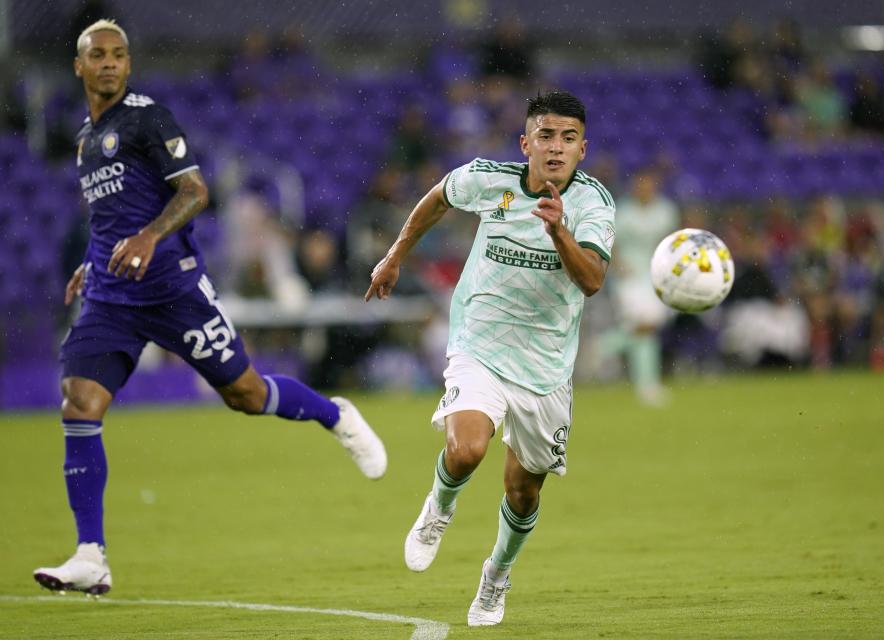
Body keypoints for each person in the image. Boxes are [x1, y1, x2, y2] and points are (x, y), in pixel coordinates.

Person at [33, 20, 387, 597]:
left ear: (128, 63)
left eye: (119, 55)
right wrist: (93, 262)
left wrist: (148, 238)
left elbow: (196, 190)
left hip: (173, 289)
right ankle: (91, 555)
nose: (109, 64)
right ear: (79, 66)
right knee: (79, 404)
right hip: (112, 296)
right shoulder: (84, 139)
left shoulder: (148, 118)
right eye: (98, 55)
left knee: (244, 394)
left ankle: (335, 415)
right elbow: (109, 219)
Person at [365, 90, 616, 626]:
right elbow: (437, 198)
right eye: (546, 136)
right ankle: (438, 508)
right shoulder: (488, 179)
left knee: (523, 491)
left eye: (568, 139)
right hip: (479, 342)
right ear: (525, 143)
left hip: (545, 368)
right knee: (466, 449)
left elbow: (592, 280)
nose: (556, 148)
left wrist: (559, 231)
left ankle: (496, 576)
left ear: (583, 149)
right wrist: (394, 256)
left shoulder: (594, 205)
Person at [609, 167, 679, 405]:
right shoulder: (624, 211)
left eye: (649, 184)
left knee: (644, 330)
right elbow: (611, 241)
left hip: (654, 277)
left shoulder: (666, 211)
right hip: (629, 278)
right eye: (641, 184)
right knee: (645, 328)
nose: (644, 188)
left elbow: (671, 243)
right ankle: (648, 386)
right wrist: (618, 265)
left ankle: (600, 348)